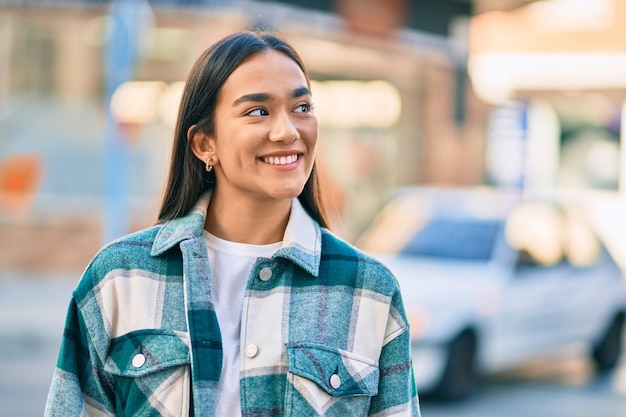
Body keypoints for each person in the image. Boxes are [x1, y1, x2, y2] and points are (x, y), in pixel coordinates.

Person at [45, 30, 420, 417]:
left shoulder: (369, 290)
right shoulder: (119, 278)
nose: (288, 131)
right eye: (258, 111)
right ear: (205, 144)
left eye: (302, 107)